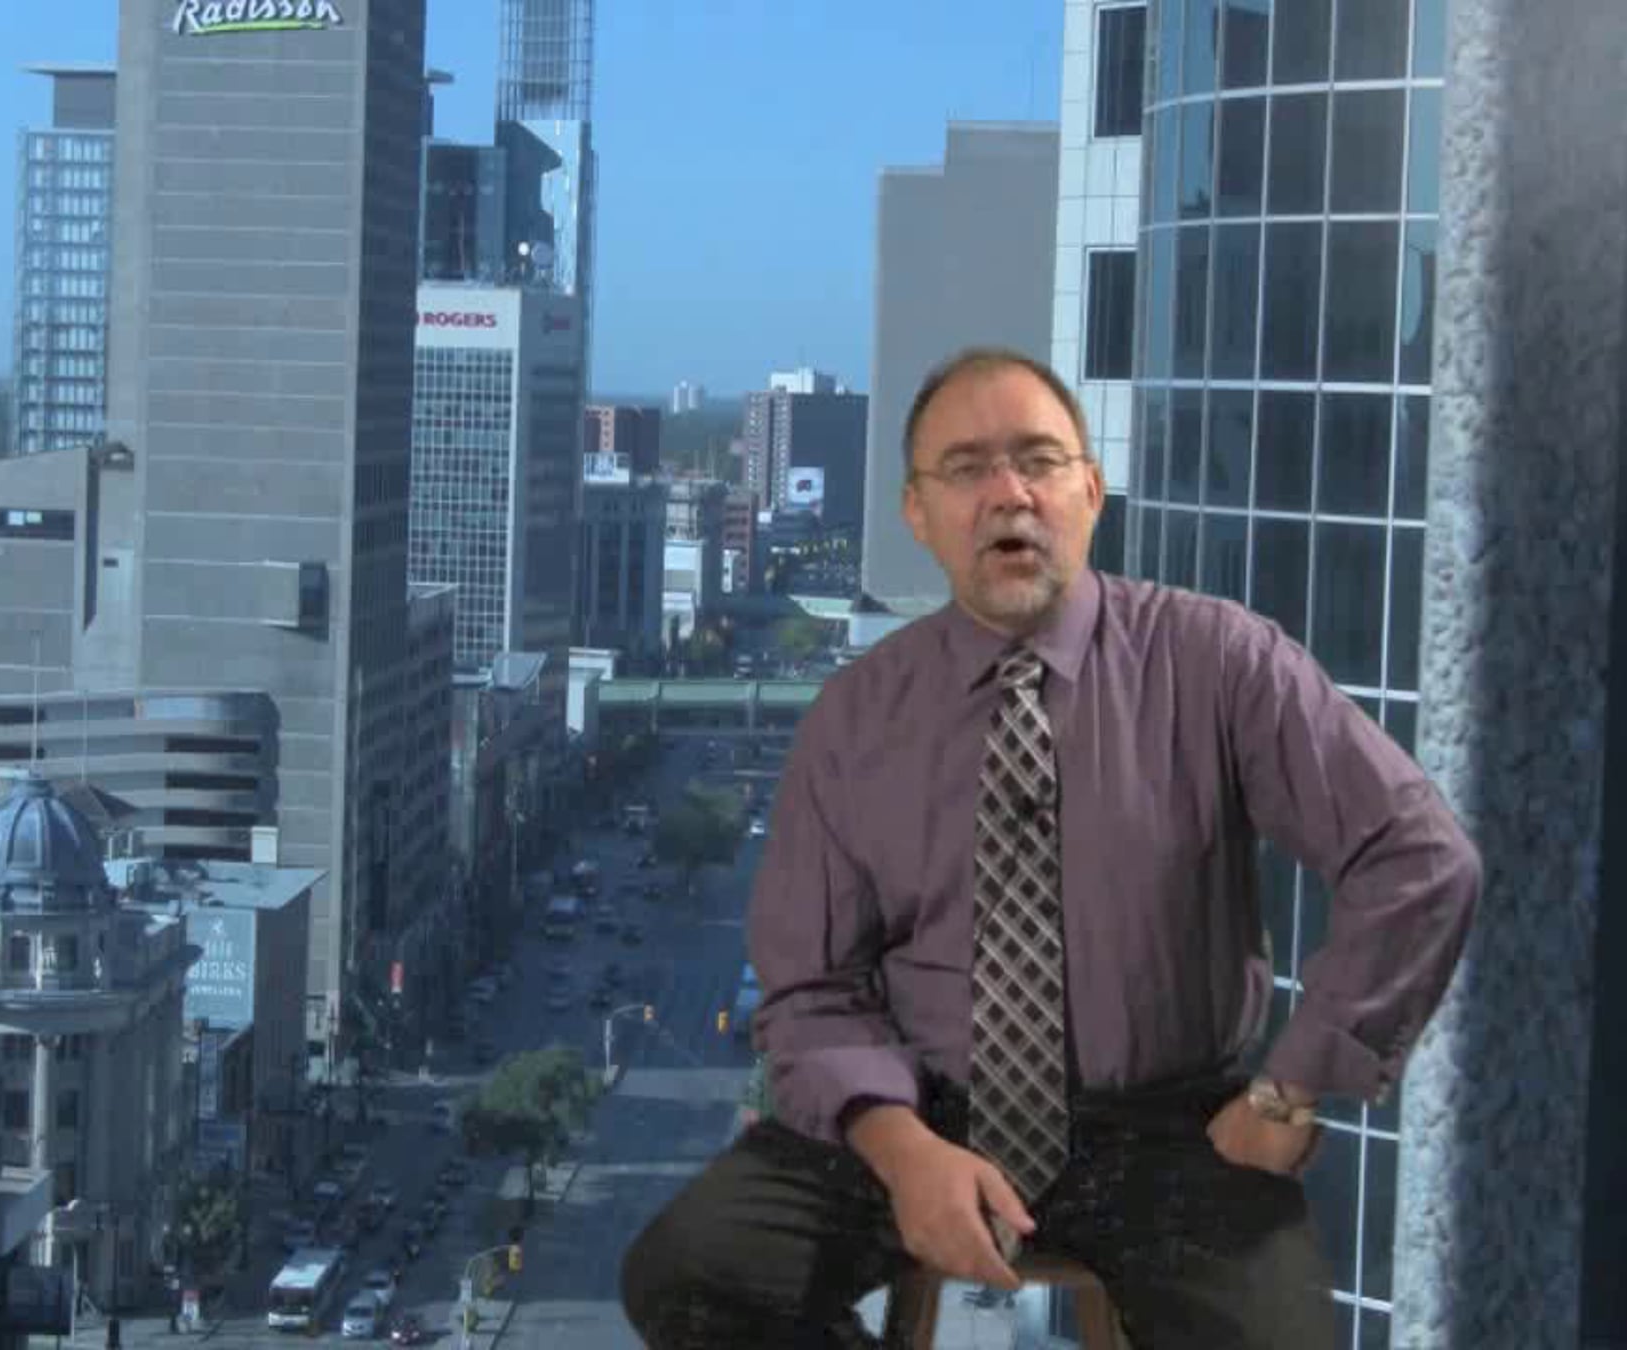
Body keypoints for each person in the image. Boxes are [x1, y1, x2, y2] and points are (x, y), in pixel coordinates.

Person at [619, 348, 1483, 1349]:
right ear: (917, 513)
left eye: (1038, 460)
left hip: (1171, 1129)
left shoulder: (1222, 663)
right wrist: (902, 1149)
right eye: (967, 469)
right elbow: (811, 989)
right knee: (684, 1275)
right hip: (916, 1110)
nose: (1010, 494)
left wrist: (1291, 1086)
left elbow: (1418, 857)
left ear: (1091, 491)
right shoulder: (855, 718)